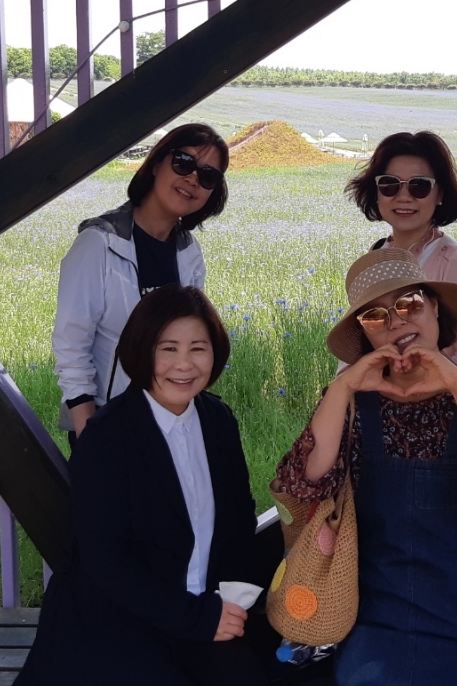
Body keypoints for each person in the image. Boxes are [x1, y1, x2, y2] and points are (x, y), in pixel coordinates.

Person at [274, 248, 457, 686]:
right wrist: (343, 387)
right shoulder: (353, 407)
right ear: (365, 334)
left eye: (410, 304)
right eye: (375, 315)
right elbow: (304, 483)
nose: (396, 321)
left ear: (435, 308)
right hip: (379, 610)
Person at [16, 286, 268, 686]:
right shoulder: (106, 436)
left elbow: (239, 521)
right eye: (168, 349)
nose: (183, 365)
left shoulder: (219, 421)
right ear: (141, 350)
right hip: (118, 619)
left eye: (197, 348)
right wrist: (195, 618)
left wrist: (229, 602)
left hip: (205, 610)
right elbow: (105, 561)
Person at [53, 123, 229, 439]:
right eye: (183, 163)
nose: (193, 179)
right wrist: (89, 432)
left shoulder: (188, 252)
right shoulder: (99, 244)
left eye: (208, 176)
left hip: (170, 423)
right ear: (156, 163)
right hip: (109, 423)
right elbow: (71, 345)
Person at [344, 130, 457, 378]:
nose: (404, 197)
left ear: (440, 194)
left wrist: (407, 390)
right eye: (390, 185)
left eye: (420, 186)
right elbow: (356, 345)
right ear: (377, 192)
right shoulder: (377, 255)